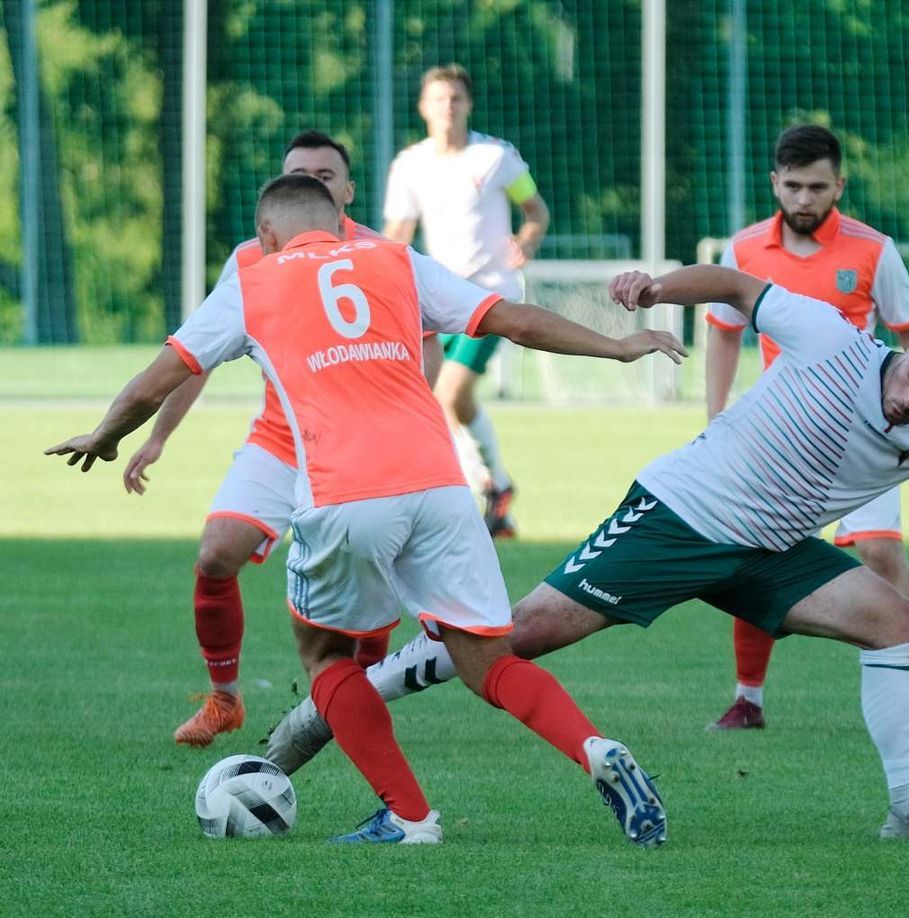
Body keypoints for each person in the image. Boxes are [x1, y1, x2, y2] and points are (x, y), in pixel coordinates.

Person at [263, 263, 909, 841]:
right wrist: (657, 288)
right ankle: (339, 702)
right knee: (515, 638)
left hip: (769, 551)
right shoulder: (833, 339)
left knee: (893, 616)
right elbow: (733, 286)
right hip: (680, 514)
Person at [47, 175, 685, 846]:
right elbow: (515, 320)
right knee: (490, 662)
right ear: (337, 220)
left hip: (345, 493)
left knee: (327, 658)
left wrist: (106, 436)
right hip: (441, 488)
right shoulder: (396, 260)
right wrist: (618, 345)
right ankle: (592, 748)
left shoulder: (253, 281)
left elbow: (157, 380)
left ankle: (410, 818)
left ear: (266, 234)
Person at [121, 130, 445, 748]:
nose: (311, 183)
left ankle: (358, 704)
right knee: (216, 554)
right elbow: (196, 357)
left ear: (347, 192)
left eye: (325, 175)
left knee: (366, 585)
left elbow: (428, 348)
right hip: (282, 439)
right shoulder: (251, 259)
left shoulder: (385, 257)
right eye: (299, 174)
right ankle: (224, 700)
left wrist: (398, 420)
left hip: (363, 449)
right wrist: (159, 436)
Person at [705, 124, 909, 733]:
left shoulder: (873, 250)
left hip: (868, 436)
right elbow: (724, 333)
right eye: (793, 186)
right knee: (754, 557)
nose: (804, 198)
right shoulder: (744, 250)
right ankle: (748, 699)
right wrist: (715, 417)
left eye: (817, 187)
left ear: (840, 185)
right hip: (779, 439)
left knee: (881, 555)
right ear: (774, 184)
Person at [382, 64, 549, 538]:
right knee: (444, 400)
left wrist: (527, 241)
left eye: (455, 98)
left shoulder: (494, 157)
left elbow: (536, 211)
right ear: (423, 107)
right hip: (438, 299)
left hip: (492, 294)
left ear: (468, 104)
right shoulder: (410, 164)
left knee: (450, 393)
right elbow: (398, 233)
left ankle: (487, 487)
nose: (447, 107)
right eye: (438, 99)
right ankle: (496, 487)